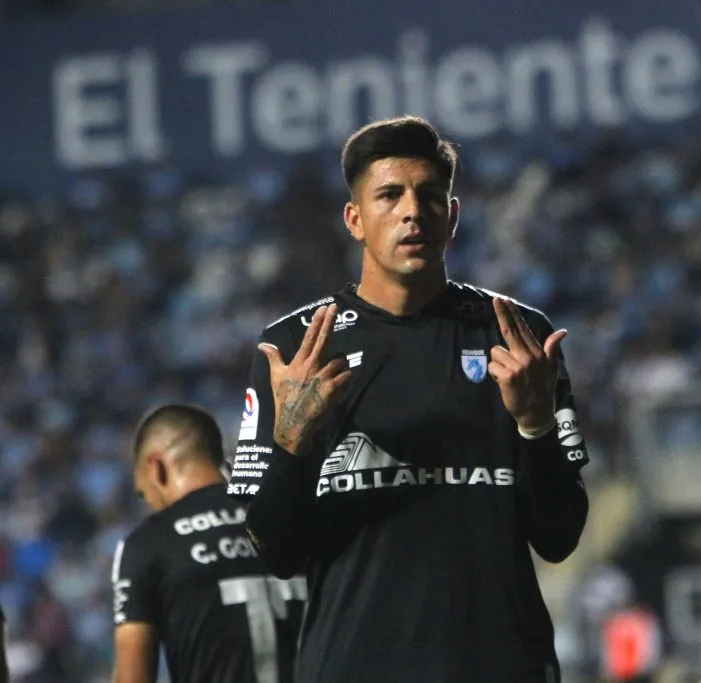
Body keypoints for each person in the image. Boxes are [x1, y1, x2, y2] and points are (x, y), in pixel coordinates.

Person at [226, 115, 590, 683]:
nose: (412, 211)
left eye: (429, 195)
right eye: (390, 195)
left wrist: (537, 427)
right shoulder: (293, 349)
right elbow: (275, 554)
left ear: (453, 215)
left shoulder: (519, 338)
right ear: (354, 219)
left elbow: (559, 537)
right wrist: (292, 444)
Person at [111, 404, 306, 683]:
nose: (149, 504)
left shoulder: (147, 544)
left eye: (144, 494)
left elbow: (132, 678)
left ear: (157, 467)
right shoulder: (284, 520)